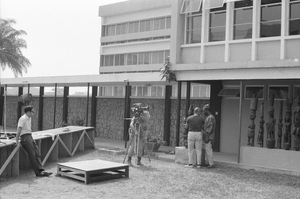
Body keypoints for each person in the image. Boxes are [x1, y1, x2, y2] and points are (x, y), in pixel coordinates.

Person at [15, 105, 53, 177]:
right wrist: (16, 140)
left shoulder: (29, 118)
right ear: (28, 112)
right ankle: (38, 173)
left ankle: (41, 170)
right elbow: (19, 129)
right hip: (25, 137)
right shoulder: (23, 119)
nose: (34, 113)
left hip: (29, 136)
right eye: (33, 112)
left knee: (37, 153)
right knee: (32, 155)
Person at [203, 104, 216, 168]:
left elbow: (210, 128)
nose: (203, 112)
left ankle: (211, 164)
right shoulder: (208, 117)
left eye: (204, 110)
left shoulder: (210, 117)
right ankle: (208, 162)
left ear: (207, 110)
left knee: (208, 150)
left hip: (209, 136)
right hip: (207, 135)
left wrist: (207, 136)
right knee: (207, 149)